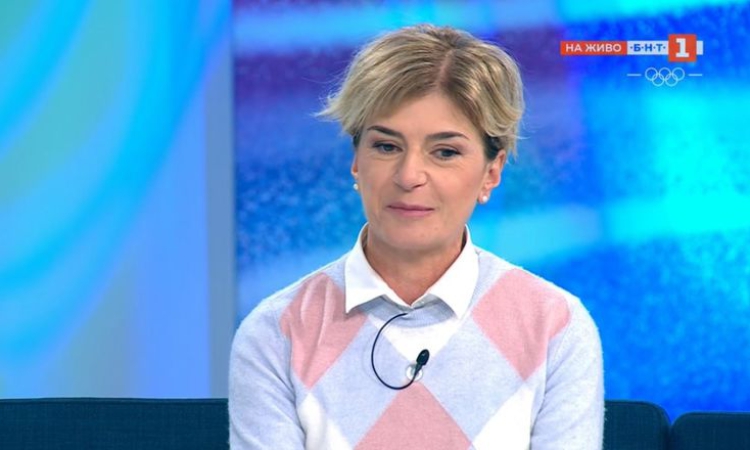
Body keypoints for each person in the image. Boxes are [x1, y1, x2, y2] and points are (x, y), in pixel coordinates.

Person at [229, 24, 604, 449]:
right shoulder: (277, 332)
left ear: (491, 172)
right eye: (386, 147)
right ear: (356, 162)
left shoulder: (554, 326)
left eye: (445, 152)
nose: (409, 176)